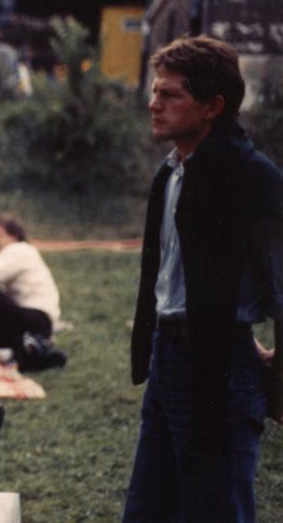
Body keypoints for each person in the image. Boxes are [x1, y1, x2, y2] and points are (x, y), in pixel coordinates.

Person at [124, 36, 283, 523]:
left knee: (215, 509)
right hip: (167, 357)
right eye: (154, 92)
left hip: (219, 367)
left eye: (170, 94)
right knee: (148, 509)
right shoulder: (171, 173)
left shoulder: (251, 176)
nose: (154, 104)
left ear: (213, 105)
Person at [0, 214, 65, 370]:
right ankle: (34, 355)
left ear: (13, 235)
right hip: (38, 319)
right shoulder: (25, 251)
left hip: (36, 318)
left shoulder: (18, 250)